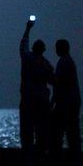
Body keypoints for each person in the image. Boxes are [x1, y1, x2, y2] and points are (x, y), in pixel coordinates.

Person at [19, 19, 54, 154]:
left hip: (28, 99)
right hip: (42, 100)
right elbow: (53, 82)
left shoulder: (27, 59)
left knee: (27, 129)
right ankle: (40, 151)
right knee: (41, 129)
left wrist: (28, 29)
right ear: (43, 50)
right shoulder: (47, 64)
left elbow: (23, 44)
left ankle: (27, 152)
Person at [50, 39, 81, 156]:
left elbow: (59, 84)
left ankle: (57, 153)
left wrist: (53, 102)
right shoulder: (69, 61)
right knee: (72, 130)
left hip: (66, 102)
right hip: (72, 101)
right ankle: (74, 153)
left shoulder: (63, 62)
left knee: (58, 129)